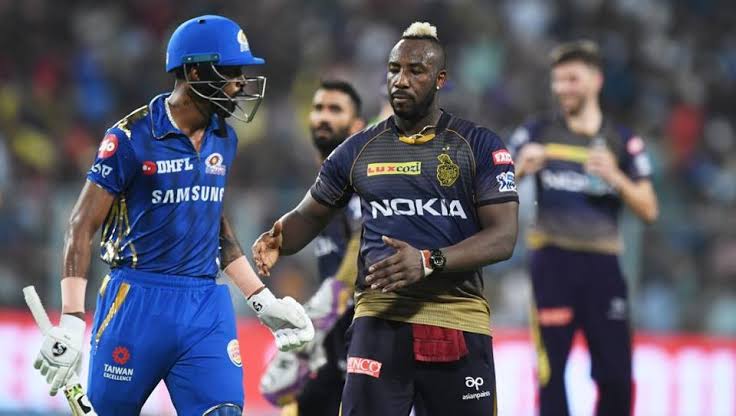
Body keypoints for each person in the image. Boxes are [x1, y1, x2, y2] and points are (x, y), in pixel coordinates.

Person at [31, 15, 313, 415]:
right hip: (135, 301)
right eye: (231, 72)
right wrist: (73, 320)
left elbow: (213, 223)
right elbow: (81, 225)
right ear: (194, 72)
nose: (240, 84)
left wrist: (261, 300)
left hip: (204, 304)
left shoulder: (224, 137)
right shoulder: (130, 137)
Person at [253, 22, 519, 415]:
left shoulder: (477, 145)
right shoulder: (357, 150)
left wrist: (428, 261)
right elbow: (310, 214)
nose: (401, 79)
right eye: (394, 69)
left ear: (440, 79)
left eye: (416, 70)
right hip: (378, 322)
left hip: (456, 320)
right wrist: (279, 238)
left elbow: (503, 237)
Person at [508, 40, 658, 416]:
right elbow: (495, 185)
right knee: (551, 374)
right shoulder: (537, 131)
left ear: (596, 81)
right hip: (552, 264)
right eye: (557, 80)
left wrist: (616, 176)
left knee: (617, 377)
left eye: (572, 79)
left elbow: (649, 209)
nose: (562, 88)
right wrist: (520, 167)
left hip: (603, 268)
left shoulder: (622, 141)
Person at [259, 80, 365, 416]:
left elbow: (362, 238)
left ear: (356, 126)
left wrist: (330, 299)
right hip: (330, 334)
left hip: (362, 331)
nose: (323, 117)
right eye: (318, 108)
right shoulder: (322, 186)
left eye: (335, 110)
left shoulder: (359, 180)